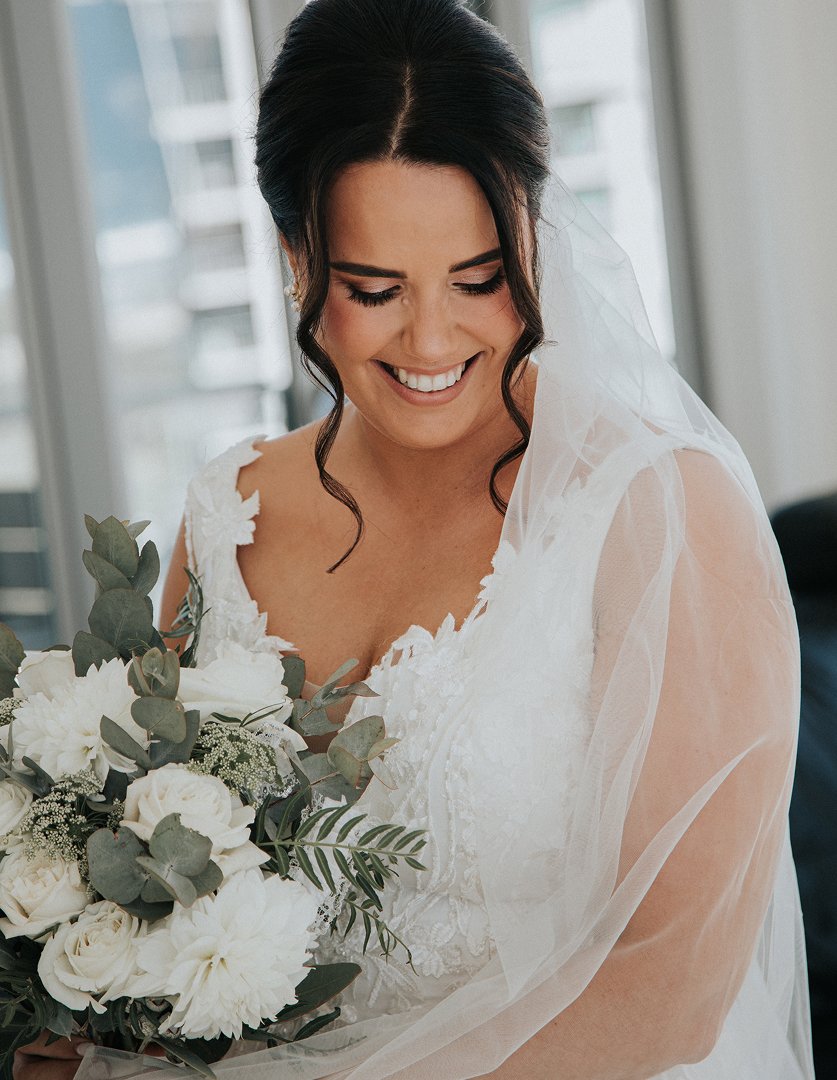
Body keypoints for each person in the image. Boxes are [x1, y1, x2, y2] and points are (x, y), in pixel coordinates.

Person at [22, 0, 812, 1077]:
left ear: (533, 231)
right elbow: (150, 871)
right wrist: (85, 1009)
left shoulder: (658, 508)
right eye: (375, 290)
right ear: (296, 260)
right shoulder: (229, 513)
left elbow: (674, 982)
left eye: (480, 280)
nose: (432, 340)